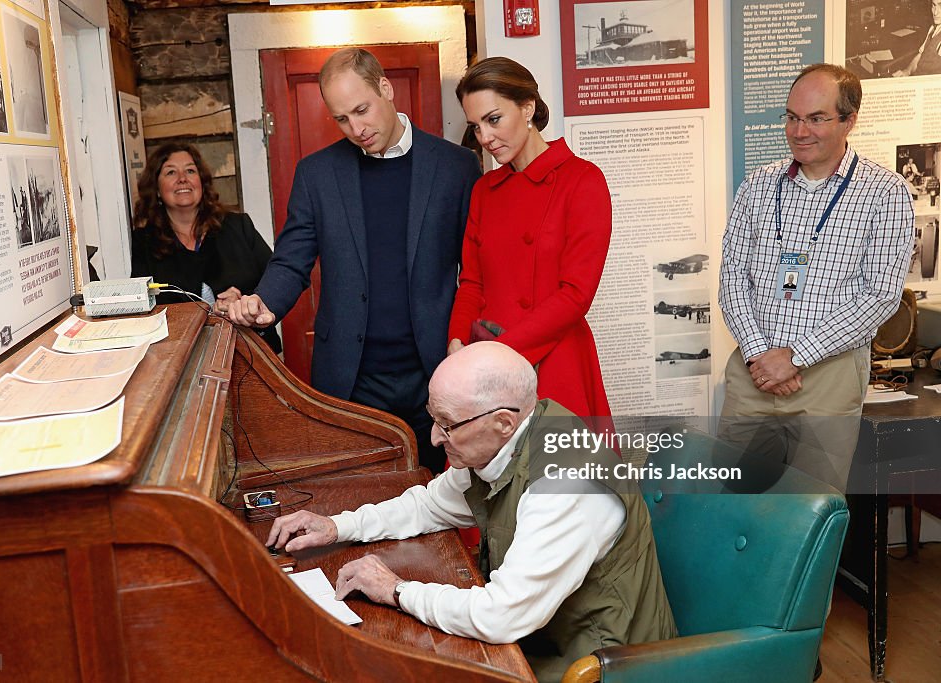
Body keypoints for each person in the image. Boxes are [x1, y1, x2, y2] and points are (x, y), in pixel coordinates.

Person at [266, 342, 677, 683]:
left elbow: (501, 616)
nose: (434, 437)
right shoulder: (507, 440)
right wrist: (337, 526)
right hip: (544, 638)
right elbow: (429, 504)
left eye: (447, 424)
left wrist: (395, 590)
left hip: (600, 664)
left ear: (502, 421)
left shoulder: (566, 483)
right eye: (434, 419)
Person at [229, 48, 481, 474]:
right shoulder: (317, 174)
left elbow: (475, 270)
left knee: (447, 500)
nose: (356, 129)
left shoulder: (457, 167)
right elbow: (292, 259)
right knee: (361, 497)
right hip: (352, 375)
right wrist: (265, 304)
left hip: (437, 368)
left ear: (385, 88)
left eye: (362, 111)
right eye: (342, 119)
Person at [718, 64, 914, 491]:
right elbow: (732, 275)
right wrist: (760, 355)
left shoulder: (884, 193)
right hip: (754, 374)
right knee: (731, 504)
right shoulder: (758, 185)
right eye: (792, 116)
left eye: (816, 118)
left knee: (811, 513)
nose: (799, 130)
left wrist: (794, 357)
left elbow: (879, 295)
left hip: (827, 376)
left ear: (849, 121)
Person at [446, 57, 612, 421]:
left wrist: (499, 353)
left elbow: (576, 294)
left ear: (527, 107)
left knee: (557, 475)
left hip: (553, 359)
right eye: (476, 127)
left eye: (493, 119)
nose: (485, 138)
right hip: (487, 363)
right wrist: (458, 342)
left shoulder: (582, 180)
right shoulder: (484, 190)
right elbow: (472, 282)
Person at [131, 142, 281, 352]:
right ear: (156, 188)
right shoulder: (143, 242)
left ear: (201, 181)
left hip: (255, 351)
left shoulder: (238, 226)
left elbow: (275, 281)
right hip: (182, 357)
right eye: (171, 172)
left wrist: (245, 303)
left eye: (190, 170)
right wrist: (210, 311)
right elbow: (144, 310)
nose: (182, 178)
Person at [895, 0, 941, 76]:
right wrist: (907, 71)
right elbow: (920, 55)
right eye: (934, 5)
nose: (935, 12)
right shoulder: (933, 28)